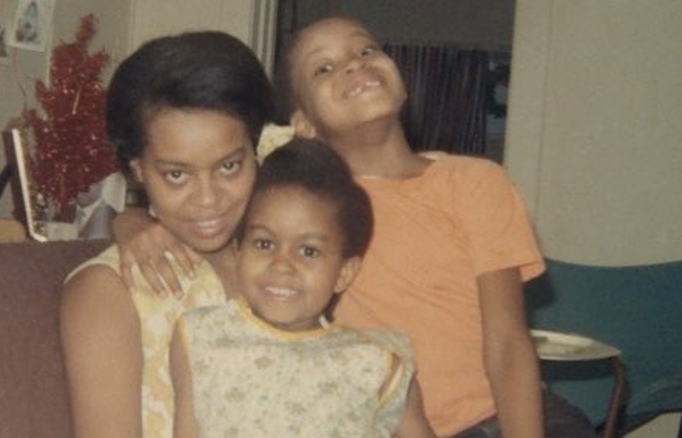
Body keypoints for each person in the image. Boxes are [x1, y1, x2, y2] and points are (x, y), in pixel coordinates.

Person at [114, 16, 598, 438]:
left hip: (506, 417)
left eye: (366, 50)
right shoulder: (294, 195)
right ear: (300, 124)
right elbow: (200, 185)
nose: (352, 65)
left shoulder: (475, 182)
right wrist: (131, 220)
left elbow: (508, 344)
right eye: (323, 68)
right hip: (390, 420)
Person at [59, 31, 274, 438]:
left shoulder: (277, 261)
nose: (208, 199)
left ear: (257, 149)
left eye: (229, 166)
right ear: (137, 168)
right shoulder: (108, 291)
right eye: (177, 174)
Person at [170, 138, 436, 437]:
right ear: (239, 250)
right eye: (265, 244)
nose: (282, 265)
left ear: (343, 274)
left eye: (308, 251)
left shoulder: (375, 363)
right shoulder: (202, 337)